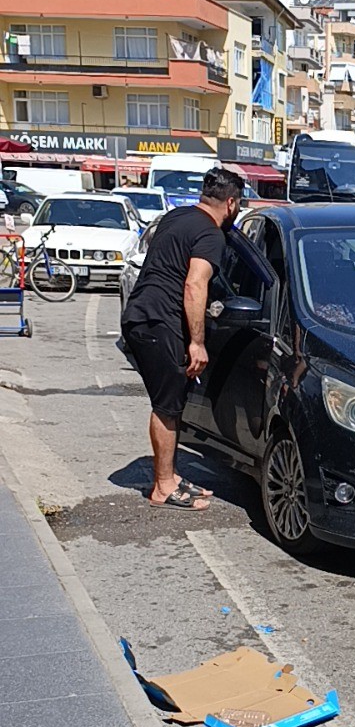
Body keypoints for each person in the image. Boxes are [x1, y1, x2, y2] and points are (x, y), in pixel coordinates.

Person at [121, 165, 244, 510]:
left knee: (171, 403)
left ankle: (171, 476)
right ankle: (162, 487)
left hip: (142, 316)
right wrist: (197, 342)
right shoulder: (211, 234)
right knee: (167, 405)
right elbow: (194, 285)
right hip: (159, 321)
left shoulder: (176, 217)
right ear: (231, 203)